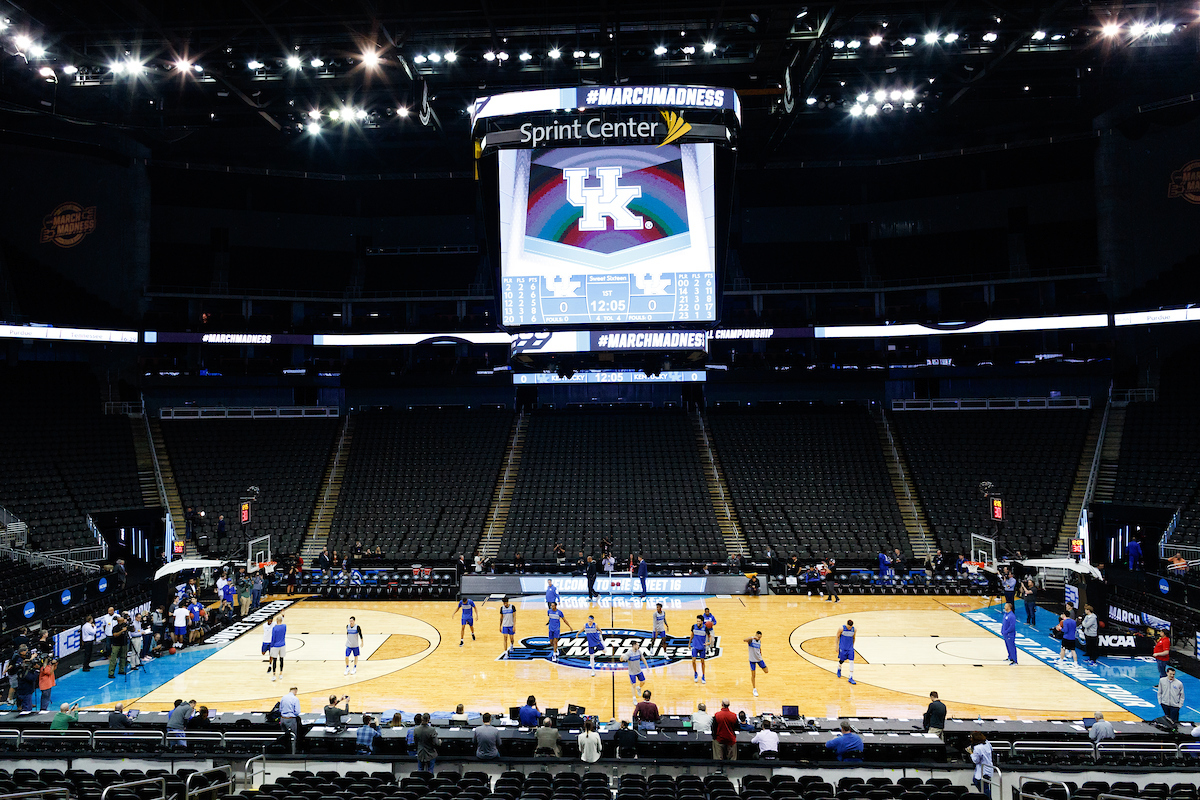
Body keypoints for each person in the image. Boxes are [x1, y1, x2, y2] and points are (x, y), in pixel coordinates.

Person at [969, 731, 994, 797]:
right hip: (989, 768)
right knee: (984, 786)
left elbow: (976, 760)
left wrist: (971, 753)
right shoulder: (987, 743)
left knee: (984, 788)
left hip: (982, 770)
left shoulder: (977, 748)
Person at [280, 686, 302, 754]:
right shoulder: (295, 699)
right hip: (290, 719)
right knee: (293, 736)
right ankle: (293, 752)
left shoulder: (283, 697)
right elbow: (297, 711)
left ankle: (284, 751)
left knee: (283, 736)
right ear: (295, 691)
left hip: (282, 719)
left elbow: (280, 709)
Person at [746, 631, 768, 697]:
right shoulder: (751, 641)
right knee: (753, 675)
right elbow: (744, 640)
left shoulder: (759, 641)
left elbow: (759, 648)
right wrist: (753, 637)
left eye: (760, 637)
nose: (759, 638)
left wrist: (760, 652)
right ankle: (754, 689)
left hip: (759, 659)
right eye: (758, 637)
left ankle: (759, 665)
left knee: (766, 671)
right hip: (752, 660)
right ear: (756, 635)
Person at [108, 613, 130, 678]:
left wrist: (129, 627)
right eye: (122, 621)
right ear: (119, 621)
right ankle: (111, 673)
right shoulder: (115, 627)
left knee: (123, 657)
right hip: (116, 644)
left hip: (124, 643)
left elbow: (132, 630)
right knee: (113, 659)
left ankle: (121, 670)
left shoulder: (125, 626)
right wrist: (122, 630)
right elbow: (115, 635)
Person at [837, 619, 857, 684]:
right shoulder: (841, 628)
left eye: (850, 627)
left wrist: (852, 646)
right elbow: (837, 637)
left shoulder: (854, 629)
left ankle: (851, 677)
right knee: (842, 660)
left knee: (851, 661)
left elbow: (854, 638)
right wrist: (837, 646)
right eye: (848, 627)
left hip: (850, 648)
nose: (849, 628)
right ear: (847, 624)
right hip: (843, 647)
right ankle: (839, 667)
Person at [690, 615, 708, 684]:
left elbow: (709, 636)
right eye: (697, 621)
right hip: (695, 646)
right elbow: (692, 634)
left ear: (702, 622)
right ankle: (695, 673)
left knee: (702, 661)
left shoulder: (705, 628)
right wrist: (689, 643)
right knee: (693, 660)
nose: (698, 622)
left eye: (699, 621)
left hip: (702, 647)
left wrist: (709, 642)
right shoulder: (693, 626)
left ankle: (703, 676)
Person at [270, 614, 288, 680]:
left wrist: (271, 646)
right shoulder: (284, 626)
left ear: (276, 621)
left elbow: (273, 638)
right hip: (282, 645)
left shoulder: (274, 628)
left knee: (274, 660)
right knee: (281, 659)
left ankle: (274, 674)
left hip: (275, 646)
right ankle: (281, 673)